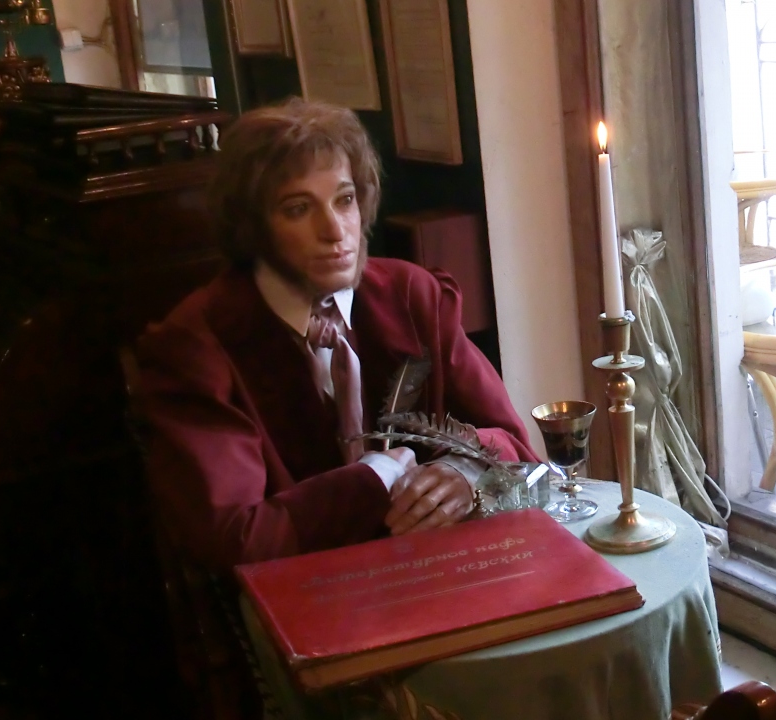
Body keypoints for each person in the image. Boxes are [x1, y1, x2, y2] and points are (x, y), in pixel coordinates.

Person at [136, 99, 536, 572]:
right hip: (305, 596)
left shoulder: (411, 296)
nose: (334, 230)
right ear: (253, 227)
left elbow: (514, 445)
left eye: (344, 200)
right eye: (298, 208)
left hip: (438, 573)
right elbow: (235, 540)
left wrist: (464, 470)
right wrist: (377, 477)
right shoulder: (198, 344)